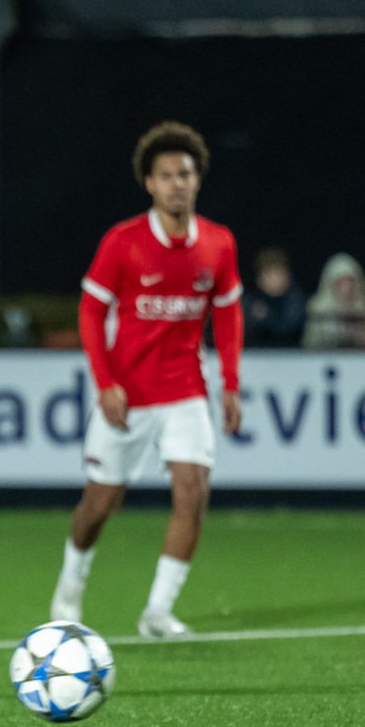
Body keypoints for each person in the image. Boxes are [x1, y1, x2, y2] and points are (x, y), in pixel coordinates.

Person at [48, 121, 243, 639]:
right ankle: (70, 584)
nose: (177, 183)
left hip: (186, 390)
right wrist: (105, 382)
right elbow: (91, 312)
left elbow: (228, 313)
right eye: (166, 175)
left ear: (198, 180)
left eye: (186, 174)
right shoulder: (124, 242)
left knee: (192, 492)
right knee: (99, 505)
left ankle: (157, 612)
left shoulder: (219, 243)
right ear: (150, 184)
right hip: (128, 394)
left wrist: (230, 383)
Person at [242, 247, 305, 348]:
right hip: (255, 354)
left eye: (278, 274)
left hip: (292, 354)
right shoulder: (250, 301)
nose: (274, 279)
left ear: (288, 276)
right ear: (258, 278)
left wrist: (267, 316)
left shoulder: (296, 299)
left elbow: (287, 329)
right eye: (268, 274)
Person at [301, 253, 365, 350]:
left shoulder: (362, 309)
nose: (346, 288)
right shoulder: (317, 309)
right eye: (340, 282)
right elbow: (310, 343)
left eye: (350, 282)